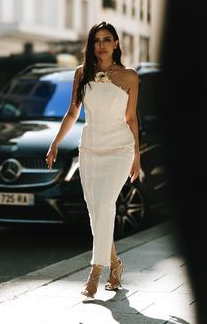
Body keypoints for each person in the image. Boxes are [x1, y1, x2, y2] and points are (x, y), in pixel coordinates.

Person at [46, 21, 140, 301]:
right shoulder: (81, 73)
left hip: (120, 147)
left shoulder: (130, 76)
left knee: (105, 205)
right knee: (96, 210)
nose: (102, 45)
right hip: (90, 148)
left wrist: (137, 155)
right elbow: (72, 112)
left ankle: (95, 271)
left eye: (107, 39)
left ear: (116, 44)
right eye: (96, 40)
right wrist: (55, 142)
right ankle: (117, 266)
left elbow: (132, 117)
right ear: (91, 44)